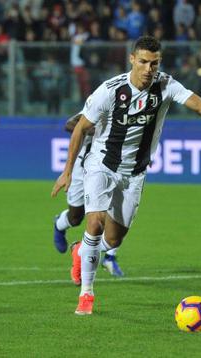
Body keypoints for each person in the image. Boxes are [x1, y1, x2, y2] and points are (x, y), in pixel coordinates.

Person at [51, 36, 201, 315]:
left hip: (134, 174)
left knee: (114, 239)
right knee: (93, 222)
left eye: (154, 63)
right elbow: (80, 128)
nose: (148, 69)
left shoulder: (165, 85)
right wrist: (67, 171)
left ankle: (80, 251)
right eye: (143, 61)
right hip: (102, 166)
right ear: (132, 59)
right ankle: (87, 294)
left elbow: (200, 103)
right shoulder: (110, 91)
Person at [52, 113, 125, 283]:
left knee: (113, 214)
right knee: (76, 217)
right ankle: (59, 223)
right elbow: (70, 124)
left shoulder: (130, 110)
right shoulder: (99, 104)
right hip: (81, 168)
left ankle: (109, 257)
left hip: (110, 168)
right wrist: (93, 129)